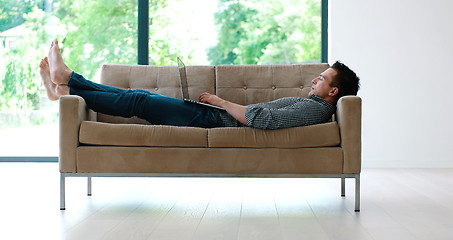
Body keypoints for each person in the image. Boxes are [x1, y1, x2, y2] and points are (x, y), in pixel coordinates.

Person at [40, 39, 360, 130]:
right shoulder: (313, 106)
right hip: (210, 116)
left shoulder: (314, 110)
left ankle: (67, 81)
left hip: (212, 120)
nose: (316, 77)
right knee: (138, 96)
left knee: (139, 101)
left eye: (323, 78)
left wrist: (220, 103)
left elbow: (262, 119)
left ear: (334, 92)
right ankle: (66, 86)